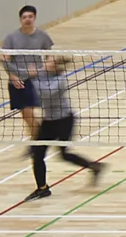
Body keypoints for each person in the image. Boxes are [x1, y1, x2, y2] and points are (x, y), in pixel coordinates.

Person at [27, 56, 103, 201]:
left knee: (64, 154)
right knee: (37, 155)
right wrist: (4, 61)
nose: (44, 63)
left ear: (55, 66)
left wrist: (33, 78)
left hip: (63, 120)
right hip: (48, 121)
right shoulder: (42, 74)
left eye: (48, 61)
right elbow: (22, 72)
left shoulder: (60, 81)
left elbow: (45, 94)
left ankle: (94, 166)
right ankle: (42, 188)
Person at [1, 4, 52, 142]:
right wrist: (13, 76)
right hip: (17, 81)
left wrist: (47, 68)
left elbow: (50, 54)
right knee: (25, 115)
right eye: (24, 17)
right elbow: (5, 59)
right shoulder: (11, 37)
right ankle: (38, 137)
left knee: (29, 112)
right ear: (20, 19)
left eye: (30, 17)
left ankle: (38, 142)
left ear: (34, 18)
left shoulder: (42, 36)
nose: (27, 19)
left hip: (35, 80)